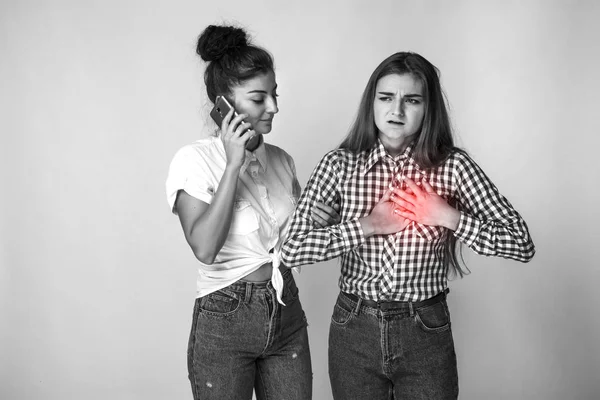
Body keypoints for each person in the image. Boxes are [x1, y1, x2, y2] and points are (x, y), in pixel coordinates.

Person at [280, 51, 535, 399]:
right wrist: (367, 225)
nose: (396, 110)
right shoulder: (339, 165)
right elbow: (291, 249)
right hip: (353, 327)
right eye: (386, 98)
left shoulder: (453, 167)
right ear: (372, 103)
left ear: (428, 108)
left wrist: (447, 216)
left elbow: (520, 242)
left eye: (411, 100)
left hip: (425, 327)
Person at [165, 25, 339, 400]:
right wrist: (233, 165)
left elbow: (289, 243)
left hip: (285, 310)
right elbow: (205, 249)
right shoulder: (193, 161)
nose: (274, 107)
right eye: (259, 98)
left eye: (274, 95)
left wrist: (318, 219)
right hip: (225, 317)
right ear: (222, 105)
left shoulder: (281, 160)